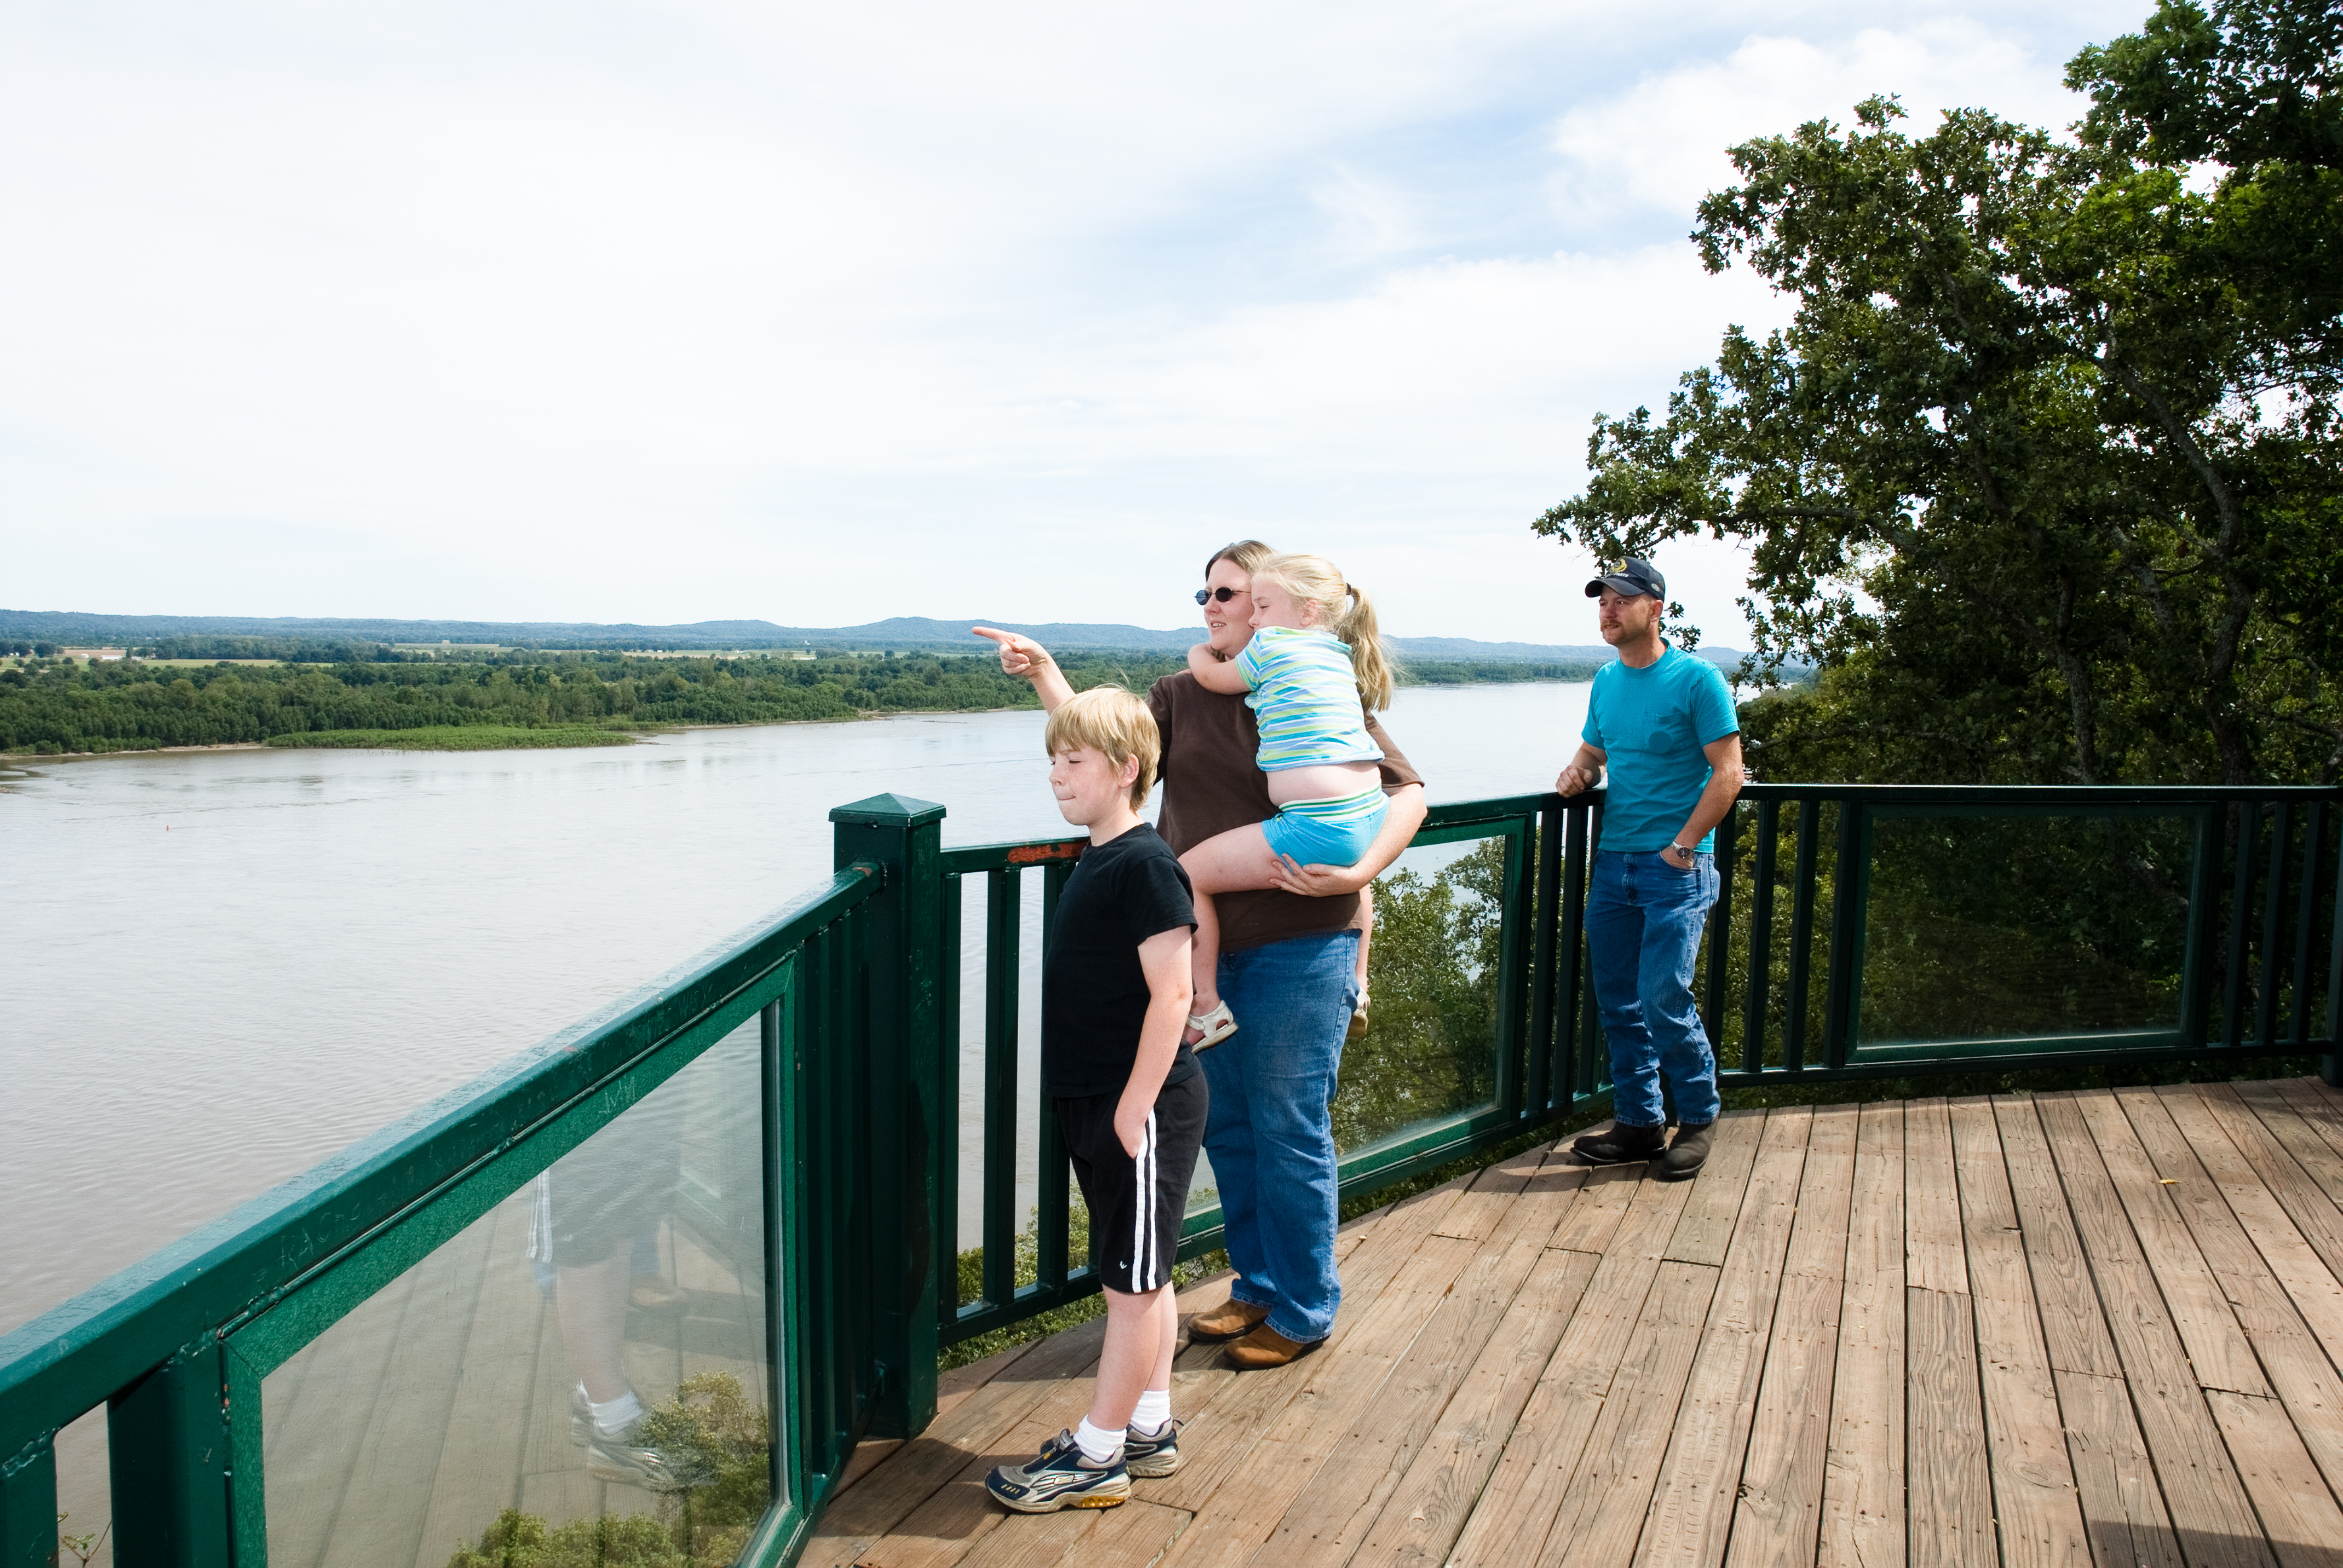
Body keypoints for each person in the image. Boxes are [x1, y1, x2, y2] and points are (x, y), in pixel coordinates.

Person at [974, 538, 1426, 1371]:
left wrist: (1363, 868)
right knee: (1233, 1129)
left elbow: (1408, 792)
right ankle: (1257, 1284)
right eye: (1207, 595)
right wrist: (1044, 673)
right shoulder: (1181, 695)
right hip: (1205, 958)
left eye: (1232, 594)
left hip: (1305, 945)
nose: (1217, 608)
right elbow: (1103, 748)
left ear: (1269, 607)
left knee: (1289, 1130)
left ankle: (1304, 1306)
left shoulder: (1308, 680)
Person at [985, 687, 1207, 1512]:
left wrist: (1132, 1105)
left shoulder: (1146, 862)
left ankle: (1097, 1454)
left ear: (1125, 770)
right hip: (1105, 1099)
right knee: (1143, 1274)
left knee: (1129, 1287)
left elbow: (1174, 994)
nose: (1056, 775)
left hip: (1137, 1104)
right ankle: (1148, 1422)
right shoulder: (1105, 852)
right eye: (1052, 758)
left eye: (1072, 761)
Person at [1555, 556, 1744, 1179]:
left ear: (1655, 609)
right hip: (1614, 865)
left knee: (1662, 995)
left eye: (1621, 599)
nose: (1608, 609)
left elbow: (1729, 773)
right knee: (1618, 1001)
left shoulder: (1697, 680)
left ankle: (1696, 1115)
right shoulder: (1607, 681)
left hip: (1676, 869)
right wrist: (1580, 770)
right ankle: (1639, 1123)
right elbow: (1594, 748)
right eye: (1601, 600)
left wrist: (1685, 845)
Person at [1170, 551, 1396, 1049]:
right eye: (1205, 595)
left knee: (1186, 875)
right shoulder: (1336, 656)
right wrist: (1360, 872)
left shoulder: (1272, 648)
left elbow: (1212, 677)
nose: (1254, 618)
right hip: (1365, 813)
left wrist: (1196, 655)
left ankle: (1205, 1007)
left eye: (1257, 604)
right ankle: (1358, 984)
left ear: (1307, 610)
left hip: (1314, 829)